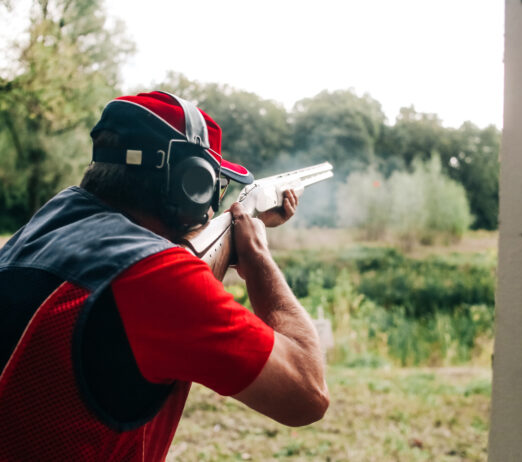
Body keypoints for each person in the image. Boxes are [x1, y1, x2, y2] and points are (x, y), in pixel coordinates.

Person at [0, 91, 329, 461]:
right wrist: (256, 256)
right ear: (192, 185)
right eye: (214, 187)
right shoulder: (152, 275)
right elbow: (307, 393)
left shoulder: (37, 234)